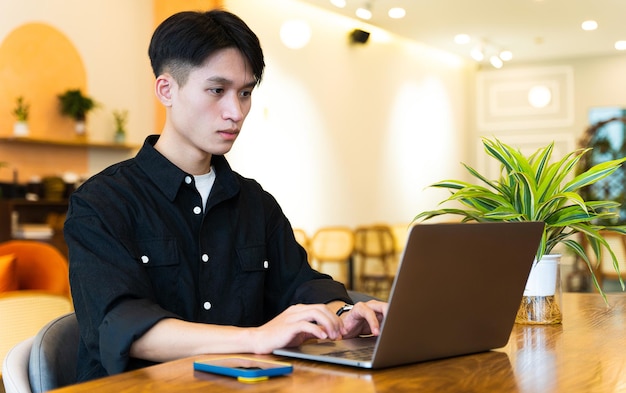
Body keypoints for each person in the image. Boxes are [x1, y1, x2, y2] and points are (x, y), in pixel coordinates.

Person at [64, 9, 387, 383]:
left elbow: (301, 284)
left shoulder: (256, 204)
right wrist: (257, 337)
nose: (236, 112)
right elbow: (124, 326)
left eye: (245, 93)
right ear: (167, 90)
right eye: (217, 90)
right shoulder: (101, 203)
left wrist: (345, 313)